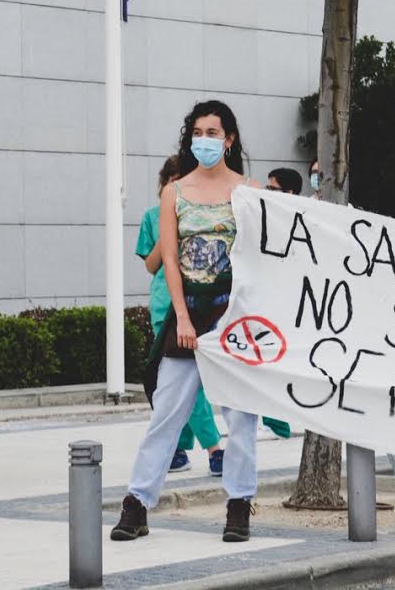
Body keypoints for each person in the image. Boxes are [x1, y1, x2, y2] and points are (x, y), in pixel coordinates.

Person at [112, 100, 263, 544]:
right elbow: (169, 262)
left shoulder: (251, 191)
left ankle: (239, 506)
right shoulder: (174, 192)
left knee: (241, 418)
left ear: (229, 139)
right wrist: (181, 315)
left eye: (213, 132)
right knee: (167, 414)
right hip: (188, 317)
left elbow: (260, 260)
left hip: (234, 318)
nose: (205, 140)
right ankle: (137, 504)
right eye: (198, 132)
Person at [137, 156, 225, 477]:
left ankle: (180, 448)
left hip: (201, 305)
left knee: (188, 379)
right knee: (178, 377)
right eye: (171, 182)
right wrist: (168, 226)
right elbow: (150, 264)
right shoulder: (151, 217)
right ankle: (210, 448)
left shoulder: (204, 213)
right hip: (166, 306)